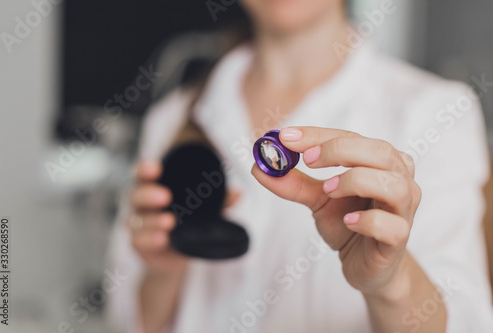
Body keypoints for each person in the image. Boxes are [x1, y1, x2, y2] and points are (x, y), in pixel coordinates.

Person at [106, 0, 493, 332]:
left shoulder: (435, 113)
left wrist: (389, 282)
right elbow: (129, 320)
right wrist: (164, 269)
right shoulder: (171, 119)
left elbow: (467, 321)